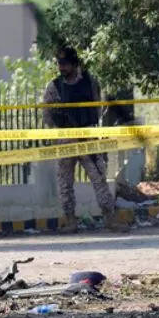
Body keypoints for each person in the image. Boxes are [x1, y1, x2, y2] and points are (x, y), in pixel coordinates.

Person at [42, 47, 123, 232]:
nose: (61, 67)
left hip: (88, 137)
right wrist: (56, 134)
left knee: (99, 178)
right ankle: (71, 221)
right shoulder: (53, 86)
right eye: (59, 64)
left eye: (65, 64)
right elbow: (47, 115)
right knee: (65, 182)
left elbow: (97, 107)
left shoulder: (89, 82)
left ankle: (110, 218)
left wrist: (91, 130)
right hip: (65, 140)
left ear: (74, 63)